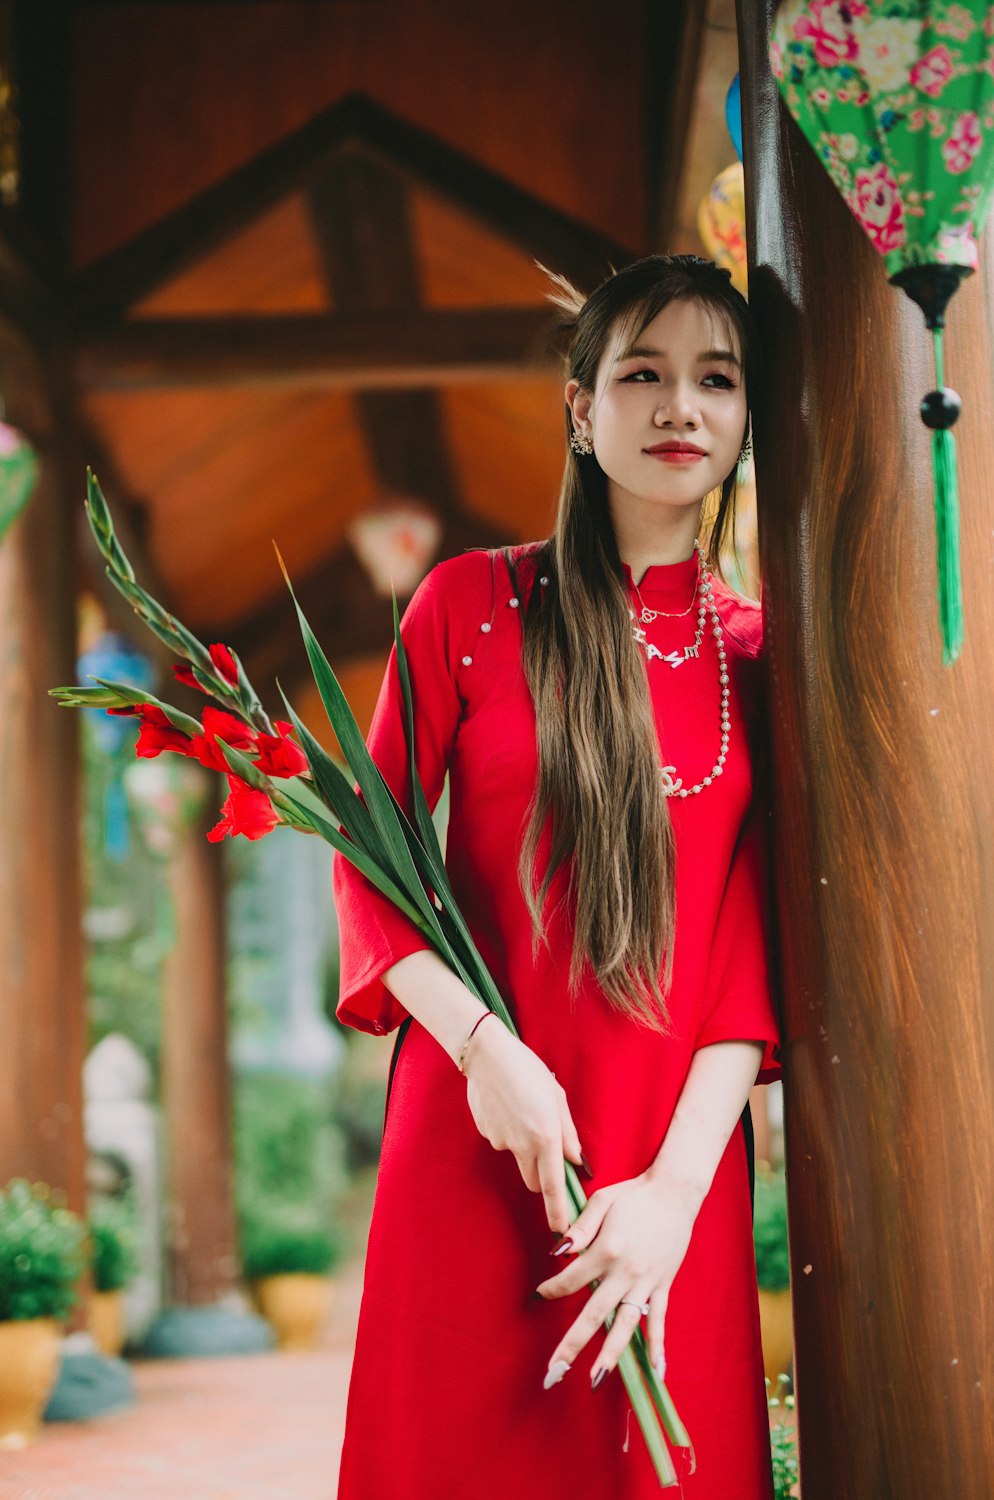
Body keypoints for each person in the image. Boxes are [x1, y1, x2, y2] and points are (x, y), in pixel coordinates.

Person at [333, 254, 782, 1499]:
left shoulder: (760, 657)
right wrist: (486, 1052)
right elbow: (371, 860)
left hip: (662, 1160)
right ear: (582, 411)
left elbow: (751, 958)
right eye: (641, 374)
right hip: (482, 1133)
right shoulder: (467, 605)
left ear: (748, 422)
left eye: (716, 379)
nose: (679, 407)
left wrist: (674, 1197)